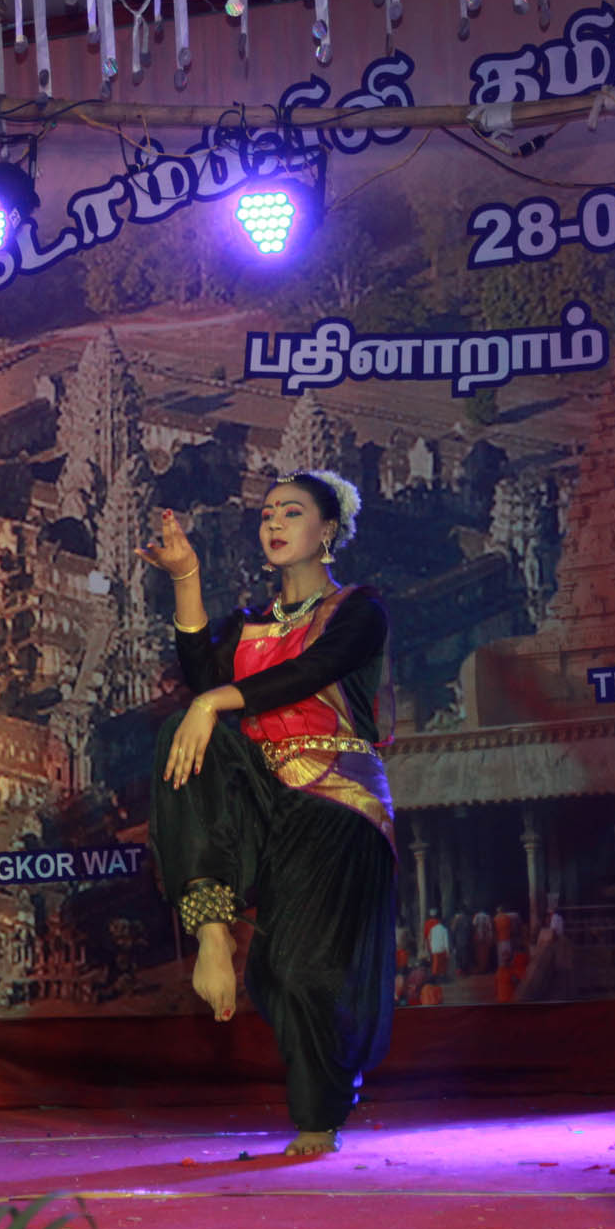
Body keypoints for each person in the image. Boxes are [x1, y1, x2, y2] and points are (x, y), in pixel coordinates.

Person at [139, 471, 397, 1156]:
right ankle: (211, 928)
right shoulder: (249, 623)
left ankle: (320, 1115)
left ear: (328, 529)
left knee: (290, 971)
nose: (274, 523)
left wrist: (213, 701)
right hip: (262, 791)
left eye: (292, 512)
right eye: (266, 514)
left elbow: (306, 674)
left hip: (336, 797)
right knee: (181, 739)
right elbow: (204, 680)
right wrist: (186, 577)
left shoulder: (358, 611)